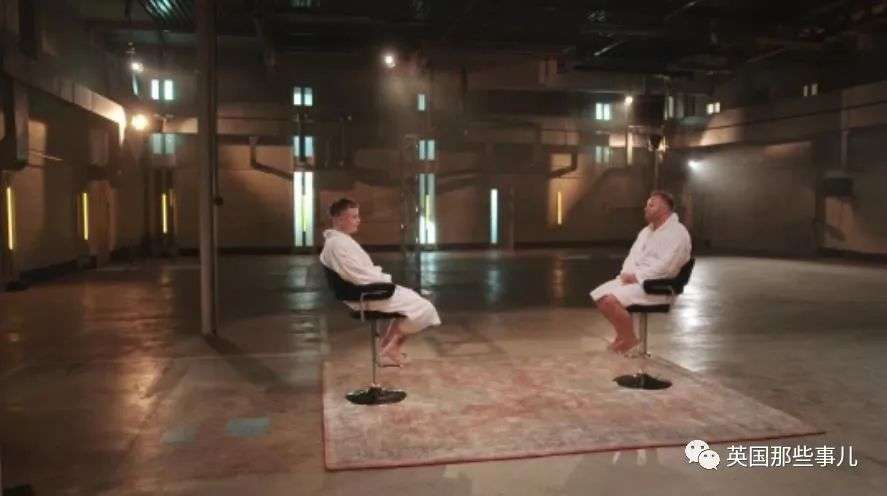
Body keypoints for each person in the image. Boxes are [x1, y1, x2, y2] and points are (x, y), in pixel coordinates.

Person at [320, 197, 441, 366]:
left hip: (368, 290)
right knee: (425, 309)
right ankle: (393, 346)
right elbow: (357, 276)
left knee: (414, 303)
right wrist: (383, 281)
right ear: (338, 219)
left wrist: (382, 280)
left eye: (358, 216)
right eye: (353, 217)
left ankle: (386, 346)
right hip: (364, 295)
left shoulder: (340, 241)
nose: (358, 220)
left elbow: (360, 272)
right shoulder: (336, 245)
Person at [590, 191, 691, 354]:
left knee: (609, 300)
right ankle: (623, 335)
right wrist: (627, 274)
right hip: (637, 280)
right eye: (646, 205)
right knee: (599, 296)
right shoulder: (646, 231)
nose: (645, 208)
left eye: (651, 205)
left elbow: (668, 267)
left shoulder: (678, 233)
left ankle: (629, 339)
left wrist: (637, 277)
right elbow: (632, 256)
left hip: (659, 284)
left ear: (664, 208)